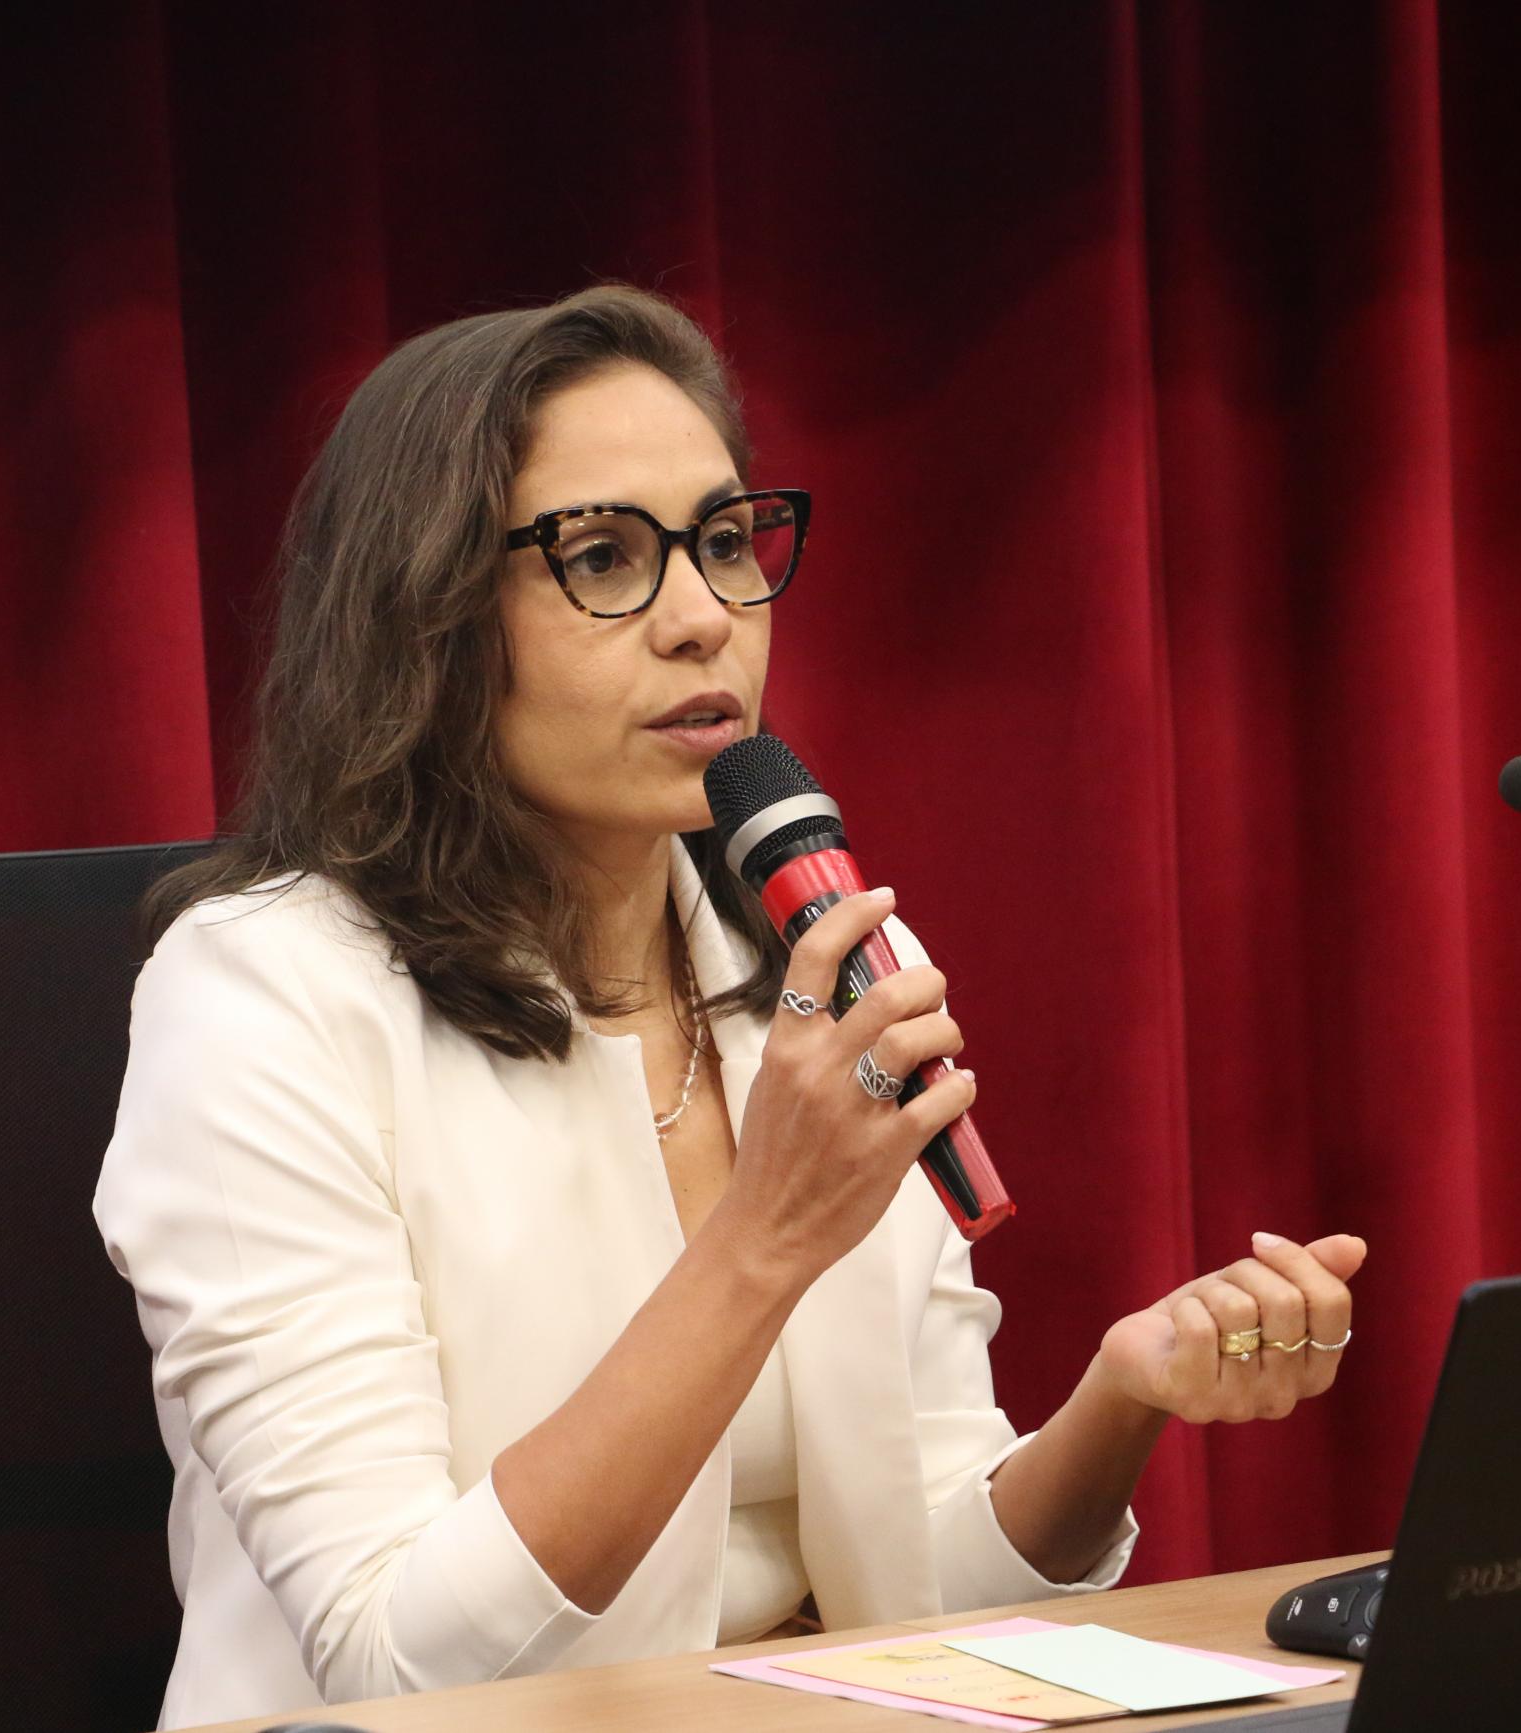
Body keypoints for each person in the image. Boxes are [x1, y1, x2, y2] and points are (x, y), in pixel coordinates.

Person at [94, 284, 1367, 1728]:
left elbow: (922, 1599)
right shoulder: (262, 999)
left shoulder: (811, 973)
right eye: (602, 557)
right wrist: (761, 1240)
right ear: (427, 618)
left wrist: (1120, 1404)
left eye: (719, 543)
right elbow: (400, 1668)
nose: (705, 620)